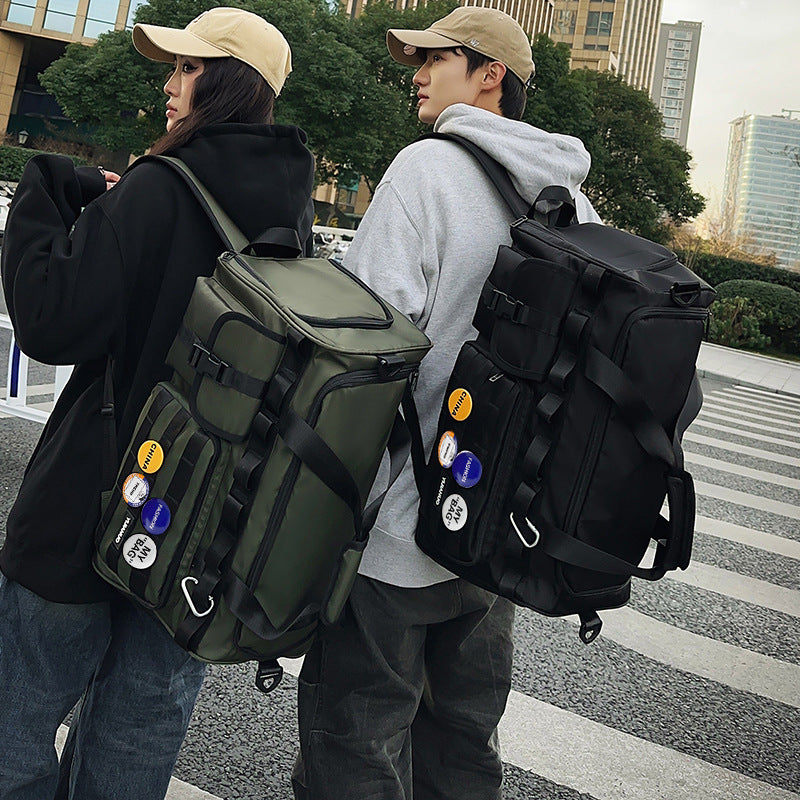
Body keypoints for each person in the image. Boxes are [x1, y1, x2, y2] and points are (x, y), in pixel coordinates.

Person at [0, 8, 315, 799]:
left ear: (227, 82)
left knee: (18, 718)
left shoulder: (161, 185)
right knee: (141, 727)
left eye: (185, 69)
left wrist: (43, 187)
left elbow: (50, 319)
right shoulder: (294, 215)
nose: (170, 85)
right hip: (210, 523)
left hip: (96, 496)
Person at [292, 7, 601, 800]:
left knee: (354, 740)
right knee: (462, 744)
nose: (417, 74)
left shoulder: (427, 169)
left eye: (436, 59)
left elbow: (360, 340)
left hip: (401, 524)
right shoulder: (572, 201)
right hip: (498, 529)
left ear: (490, 75)